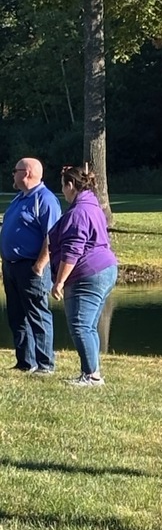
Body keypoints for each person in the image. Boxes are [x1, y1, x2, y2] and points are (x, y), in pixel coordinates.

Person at [49, 164, 118, 387]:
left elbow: (72, 250)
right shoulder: (92, 205)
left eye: (63, 186)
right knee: (89, 325)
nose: (62, 191)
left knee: (80, 325)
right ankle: (92, 372)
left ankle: (91, 376)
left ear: (71, 185)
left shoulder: (78, 212)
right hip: (105, 269)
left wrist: (59, 282)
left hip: (88, 273)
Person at [1, 157, 60, 374]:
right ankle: (25, 362)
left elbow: (52, 237)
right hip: (11, 266)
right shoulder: (20, 198)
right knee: (17, 316)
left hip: (31, 267)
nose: (13, 174)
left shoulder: (45, 200)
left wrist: (39, 266)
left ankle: (45, 364)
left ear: (26, 173)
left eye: (15, 170)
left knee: (37, 315)